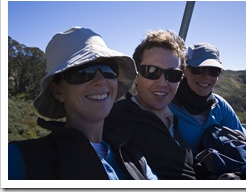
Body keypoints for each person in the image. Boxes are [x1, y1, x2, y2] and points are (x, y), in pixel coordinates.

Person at [8, 27, 157, 180]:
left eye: (108, 68)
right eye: (82, 73)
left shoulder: (137, 161)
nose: (100, 81)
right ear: (58, 92)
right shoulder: (21, 159)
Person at [169, 43, 246, 179]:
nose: (206, 76)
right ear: (185, 70)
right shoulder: (168, 105)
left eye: (213, 71)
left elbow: (245, 137)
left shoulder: (219, 105)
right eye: (199, 70)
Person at [105, 29, 196, 180]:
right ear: (136, 76)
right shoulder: (115, 118)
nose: (162, 83)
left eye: (172, 75)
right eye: (152, 71)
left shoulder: (173, 118)